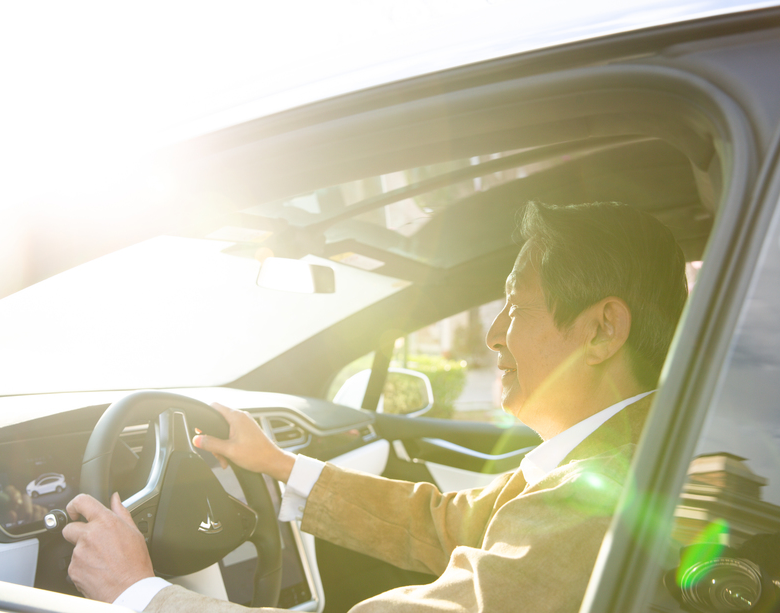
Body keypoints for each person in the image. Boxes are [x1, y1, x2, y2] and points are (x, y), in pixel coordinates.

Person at [62, 201, 688, 612]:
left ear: (603, 330)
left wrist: (137, 592)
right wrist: (280, 465)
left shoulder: (599, 494)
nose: (494, 333)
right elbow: (447, 524)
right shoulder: (615, 456)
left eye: (517, 308)